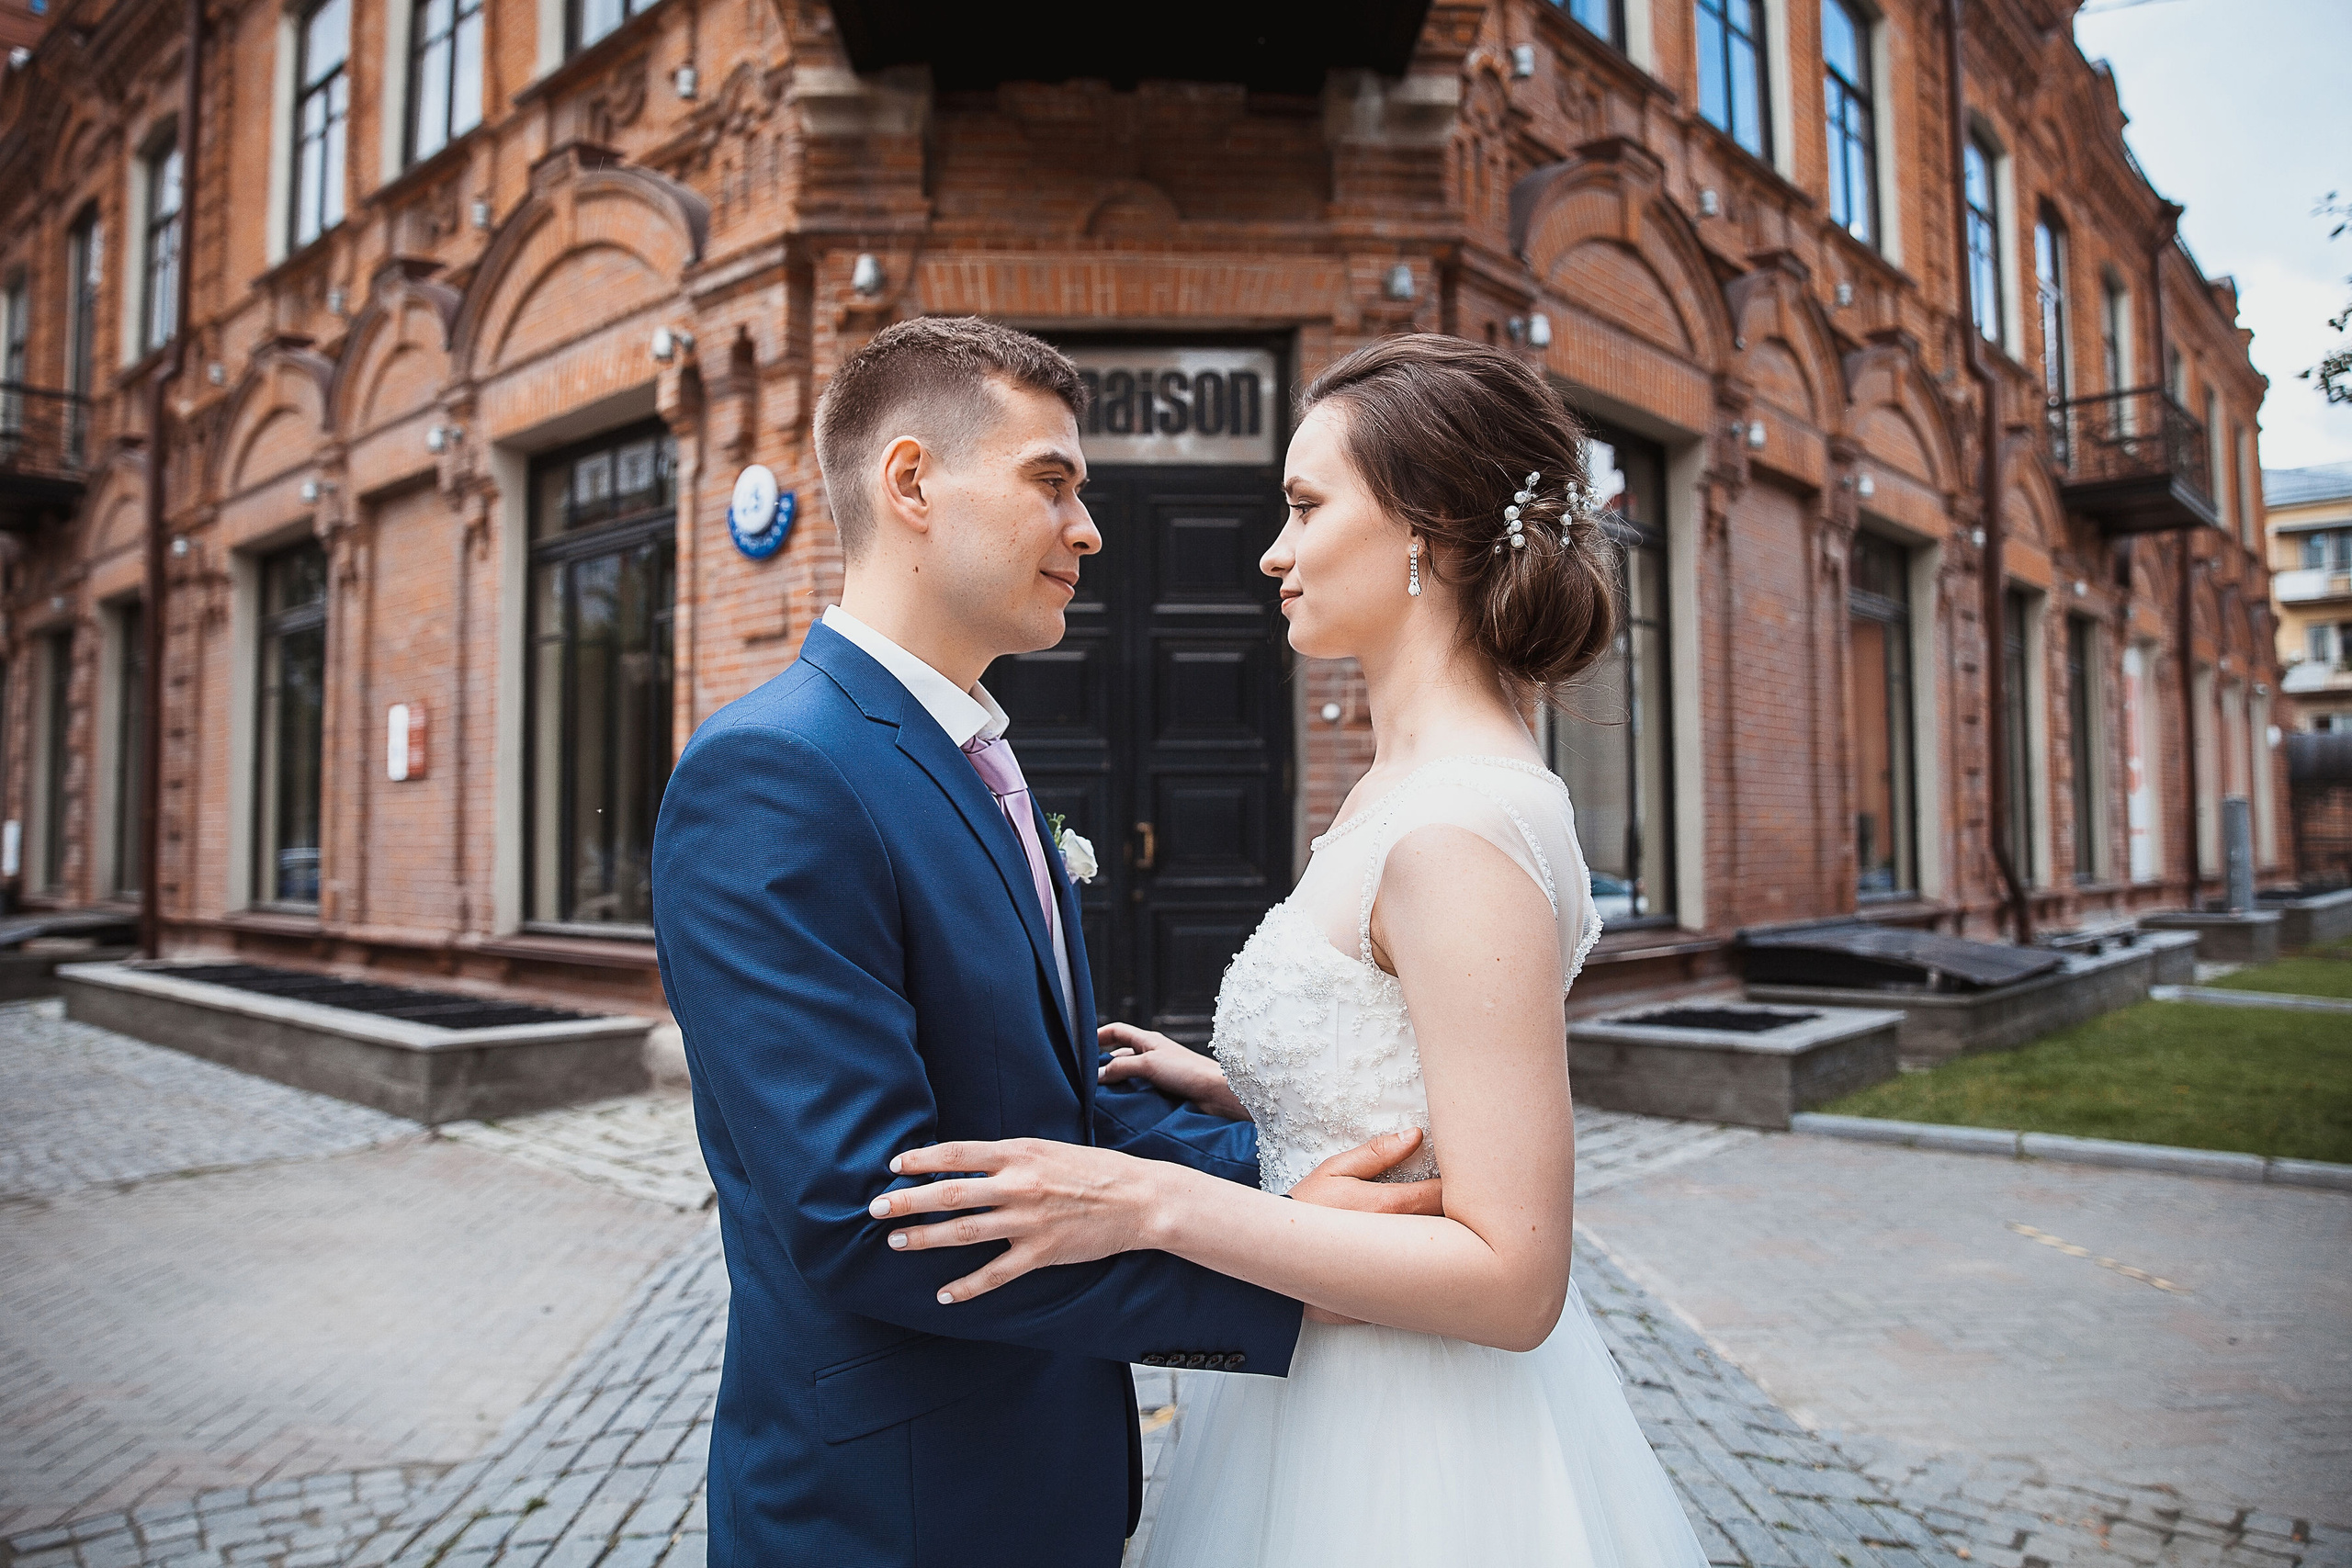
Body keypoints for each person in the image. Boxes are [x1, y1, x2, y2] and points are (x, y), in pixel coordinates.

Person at [871, 333, 1713, 1565]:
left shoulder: (1456, 827)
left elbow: (1514, 1278)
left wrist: (1157, 1201)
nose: (1272, 551)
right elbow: (1418, 1075)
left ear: (1427, 527)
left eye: (1307, 507)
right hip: (1320, 1381)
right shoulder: (1407, 787)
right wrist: (1239, 1089)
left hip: (1410, 1447)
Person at [650, 316, 1436, 1568]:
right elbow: (873, 1211)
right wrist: (1300, 1265)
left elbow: (1044, 1117)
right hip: (900, 1516)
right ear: (912, 483)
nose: (1090, 530)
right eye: (1053, 482)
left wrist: (1287, 1181)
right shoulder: (774, 772)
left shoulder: (979, 758)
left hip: (1043, 1478)